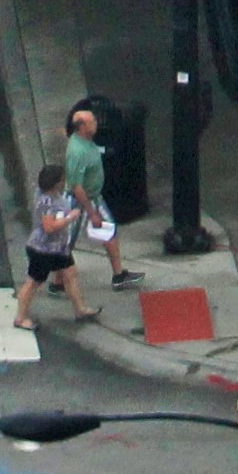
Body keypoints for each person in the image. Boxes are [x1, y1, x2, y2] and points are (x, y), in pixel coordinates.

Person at [66, 103, 142, 292]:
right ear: (82, 126)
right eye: (93, 121)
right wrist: (91, 213)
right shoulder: (77, 152)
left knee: (110, 232)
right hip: (79, 202)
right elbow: (77, 187)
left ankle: (118, 275)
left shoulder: (87, 141)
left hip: (94, 197)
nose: (97, 123)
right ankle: (58, 282)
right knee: (65, 243)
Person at [12, 163, 91, 330]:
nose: (64, 182)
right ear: (56, 183)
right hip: (44, 250)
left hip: (59, 248)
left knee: (70, 273)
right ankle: (20, 318)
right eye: (62, 179)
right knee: (33, 282)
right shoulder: (49, 202)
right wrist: (70, 217)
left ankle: (80, 310)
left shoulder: (46, 194)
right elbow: (49, 227)